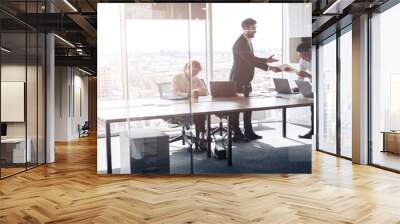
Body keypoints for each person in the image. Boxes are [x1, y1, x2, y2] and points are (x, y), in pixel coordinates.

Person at [229, 18, 282, 142]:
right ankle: (236, 133)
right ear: (245, 28)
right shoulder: (240, 42)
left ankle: (248, 131)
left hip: (246, 81)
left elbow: (252, 57)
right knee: (236, 109)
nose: (255, 31)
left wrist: (266, 60)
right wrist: (270, 68)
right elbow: (251, 60)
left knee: (248, 107)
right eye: (253, 28)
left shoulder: (247, 41)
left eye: (255, 28)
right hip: (238, 81)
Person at [172, 60, 208, 149]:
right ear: (186, 68)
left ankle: (201, 137)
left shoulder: (196, 79)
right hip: (181, 107)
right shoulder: (177, 77)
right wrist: (188, 94)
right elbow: (174, 92)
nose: (194, 74)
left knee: (200, 113)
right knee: (199, 114)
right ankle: (201, 138)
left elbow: (205, 92)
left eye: (196, 72)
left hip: (194, 107)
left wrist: (197, 92)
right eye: (193, 71)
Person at [284, 42, 313, 139]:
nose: (303, 59)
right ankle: (313, 132)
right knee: (313, 109)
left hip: (325, 86)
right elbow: (300, 77)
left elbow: (322, 77)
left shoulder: (318, 57)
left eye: (304, 56)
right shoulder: (302, 61)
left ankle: (316, 133)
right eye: (301, 57)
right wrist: (298, 86)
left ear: (310, 51)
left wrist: (308, 76)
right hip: (314, 86)